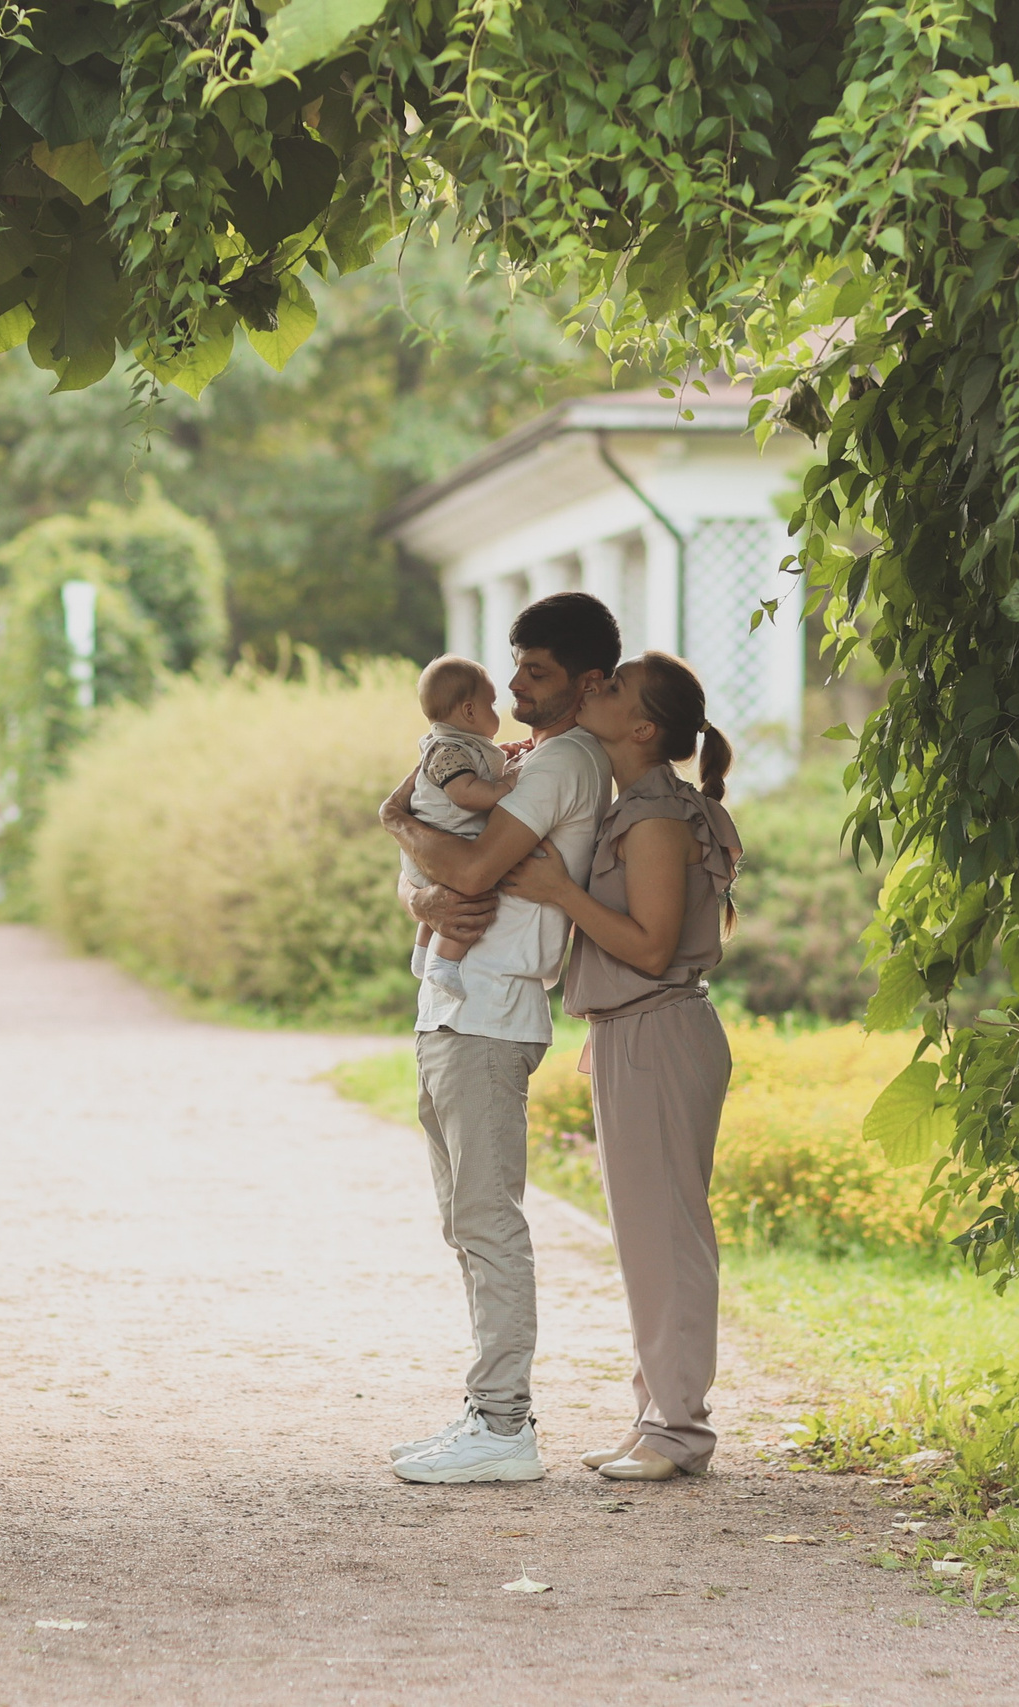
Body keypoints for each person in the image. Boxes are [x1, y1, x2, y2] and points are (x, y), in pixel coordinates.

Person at [376, 592, 620, 1485]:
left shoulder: (560, 765)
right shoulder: (528, 759)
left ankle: (506, 1422)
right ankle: (488, 1409)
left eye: (539, 670)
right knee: (463, 1219)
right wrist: (418, 886)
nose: (515, 682)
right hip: (454, 1007)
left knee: (487, 1218)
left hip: (489, 1014)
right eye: (514, 664)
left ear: (590, 681)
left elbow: (472, 866)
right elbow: (447, 882)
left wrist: (396, 824)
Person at [499, 651, 739, 1482]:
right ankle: (656, 1418)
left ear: (642, 728)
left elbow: (649, 944)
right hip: (636, 1032)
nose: (593, 688)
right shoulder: (634, 805)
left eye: (614, 686)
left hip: (661, 1032)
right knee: (645, 1238)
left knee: (667, 1237)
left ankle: (679, 1431)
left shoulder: (657, 819)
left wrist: (558, 893)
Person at [401, 656, 518, 999]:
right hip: (446, 846)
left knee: (436, 910)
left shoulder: (455, 744)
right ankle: (444, 963)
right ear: (469, 711)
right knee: (470, 898)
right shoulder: (448, 750)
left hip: (426, 853)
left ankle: (422, 955)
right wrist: (504, 787)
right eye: (492, 703)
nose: (498, 710)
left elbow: (477, 768)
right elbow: (465, 793)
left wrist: (502, 760)